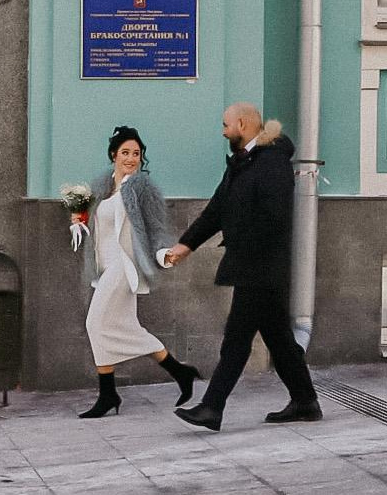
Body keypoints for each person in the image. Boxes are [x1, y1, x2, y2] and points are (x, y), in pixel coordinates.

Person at [166, 103, 322, 431]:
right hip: (253, 267)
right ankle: (305, 401)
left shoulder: (272, 162)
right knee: (279, 339)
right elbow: (216, 209)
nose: (223, 131)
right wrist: (186, 245)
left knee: (236, 340)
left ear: (241, 123)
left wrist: (248, 251)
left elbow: (275, 218)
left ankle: (212, 407)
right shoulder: (243, 162)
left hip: (261, 267)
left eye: (226, 125)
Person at [72, 126, 201, 419]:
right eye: (125, 152)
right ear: (113, 155)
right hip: (105, 267)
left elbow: (155, 228)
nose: (131, 158)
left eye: (136, 153)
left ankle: (108, 393)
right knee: (125, 327)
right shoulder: (103, 189)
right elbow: (93, 221)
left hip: (124, 266)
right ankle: (179, 372)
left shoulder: (141, 188)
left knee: (94, 323)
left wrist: (164, 254)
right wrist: (77, 218)